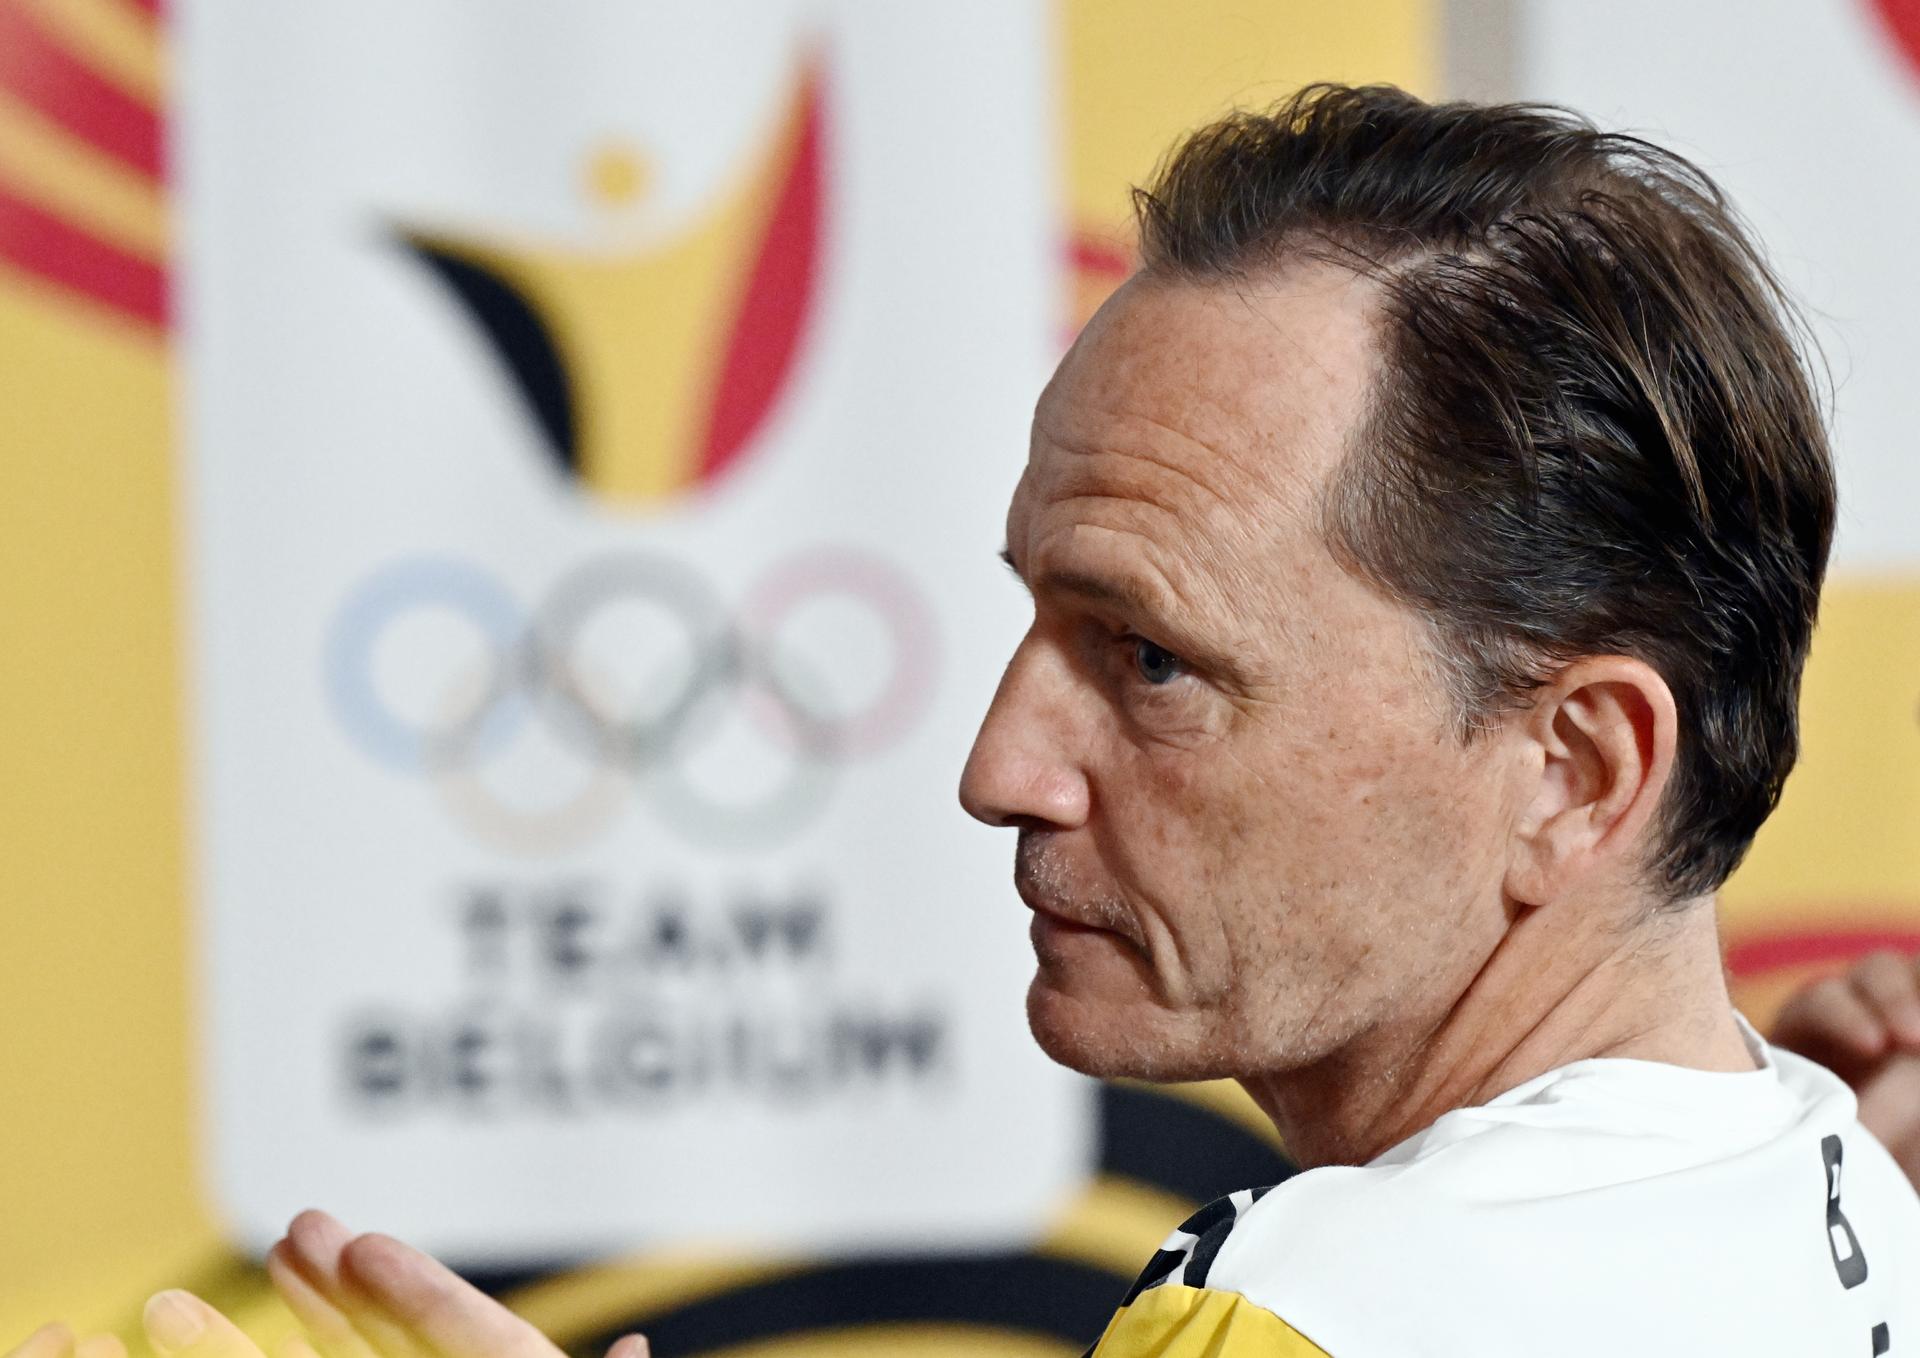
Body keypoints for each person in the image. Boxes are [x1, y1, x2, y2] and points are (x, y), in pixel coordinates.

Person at [12, 83, 1920, 1358]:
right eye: (1037, 616)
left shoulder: (1328, 1312)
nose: (1002, 765)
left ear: (1574, 767)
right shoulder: (1840, 1190)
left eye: (1152, 659)